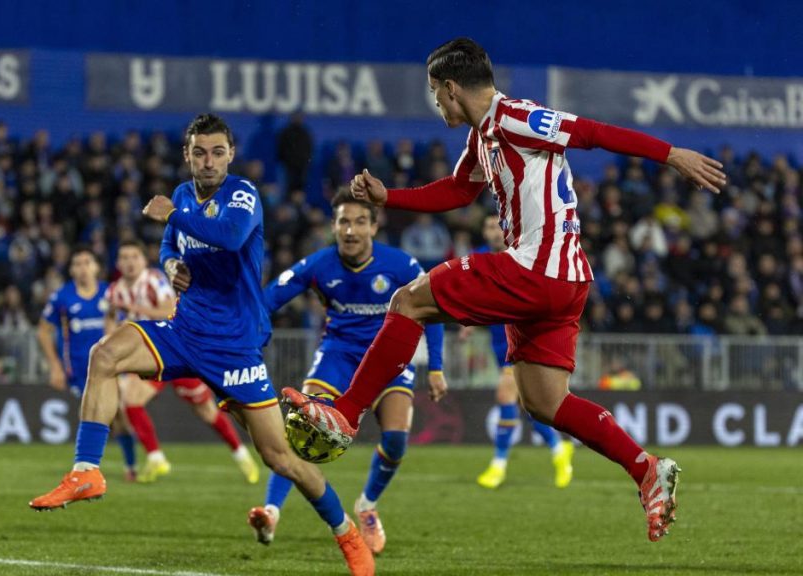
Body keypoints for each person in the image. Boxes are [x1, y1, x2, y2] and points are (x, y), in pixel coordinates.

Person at [283, 37, 726, 543]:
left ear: (451, 88)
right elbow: (459, 189)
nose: (434, 104)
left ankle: (345, 413)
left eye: (434, 92)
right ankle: (646, 468)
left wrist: (672, 155)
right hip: (564, 281)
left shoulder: (513, 116)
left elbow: (592, 132)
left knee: (409, 300)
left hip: (538, 270)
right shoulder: (483, 136)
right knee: (544, 402)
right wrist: (391, 197)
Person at [29, 114, 374, 576]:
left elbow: (229, 237)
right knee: (104, 355)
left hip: (234, 348)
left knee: (281, 458)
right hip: (184, 330)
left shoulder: (242, 195)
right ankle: (86, 470)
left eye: (216, 152)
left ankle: (346, 533)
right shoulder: (183, 196)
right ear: (186, 155)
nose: (207, 161)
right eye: (198, 152)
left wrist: (173, 216)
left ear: (230, 155)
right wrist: (170, 266)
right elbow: (170, 245)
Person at [250, 188, 445, 555]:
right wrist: (247, 330)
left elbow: (431, 313)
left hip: (387, 360)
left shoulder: (402, 265)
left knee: (396, 439)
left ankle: (367, 506)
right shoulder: (319, 264)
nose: (350, 230)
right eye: (343, 222)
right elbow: (268, 299)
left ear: (374, 226)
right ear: (333, 226)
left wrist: (435, 366)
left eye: (359, 222)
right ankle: (272, 512)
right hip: (338, 355)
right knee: (301, 429)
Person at [104, 239, 260, 484]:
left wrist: (132, 308)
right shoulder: (114, 291)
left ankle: (241, 455)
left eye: (134, 256)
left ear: (144, 260)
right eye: (124, 257)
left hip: (179, 350)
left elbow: (168, 311)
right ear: (117, 263)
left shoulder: (154, 280)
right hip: (149, 357)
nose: (129, 262)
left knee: (206, 411)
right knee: (131, 399)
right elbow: (111, 320)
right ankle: (156, 458)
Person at [470, 215, 574, 489]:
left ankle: (498, 464)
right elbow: (469, 292)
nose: (493, 232)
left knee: (505, 394)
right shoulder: (478, 259)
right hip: (498, 345)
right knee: (529, 406)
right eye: (488, 226)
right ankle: (558, 449)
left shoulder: (522, 256)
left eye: (497, 226)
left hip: (522, 342)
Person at [37, 246, 138, 481]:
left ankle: (128, 465)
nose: (82, 268)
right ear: (71, 269)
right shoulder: (62, 297)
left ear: (96, 267)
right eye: (77, 264)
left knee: (116, 414)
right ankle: (88, 467)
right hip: (80, 370)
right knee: (100, 416)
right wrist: (55, 367)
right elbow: (43, 331)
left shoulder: (110, 293)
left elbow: (127, 325)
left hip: (112, 367)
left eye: (87, 262)